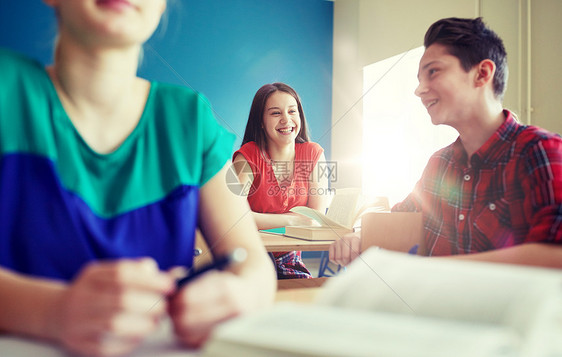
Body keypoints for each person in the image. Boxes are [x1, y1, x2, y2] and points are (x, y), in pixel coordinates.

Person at [0, 1, 275, 356]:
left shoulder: (193, 119)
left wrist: (239, 294)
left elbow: (254, 264)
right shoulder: (6, 90)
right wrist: (52, 311)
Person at [330, 17, 562, 269]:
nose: (419, 89)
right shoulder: (440, 164)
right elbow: (399, 218)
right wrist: (359, 237)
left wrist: (439, 272)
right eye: (420, 78)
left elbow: (554, 256)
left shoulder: (541, 151)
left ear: (482, 74)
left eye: (433, 72)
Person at [233, 83, 330, 279]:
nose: (286, 120)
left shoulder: (313, 153)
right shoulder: (247, 156)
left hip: (290, 259)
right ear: (261, 121)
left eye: (292, 111)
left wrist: (260, 220)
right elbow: (237, 217)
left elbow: (315, 218)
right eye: (276, 113)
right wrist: (293, 219)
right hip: (251, 254)